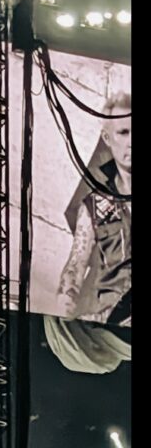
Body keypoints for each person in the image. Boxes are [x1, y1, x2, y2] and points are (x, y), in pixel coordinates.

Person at [57, 94, 131, 327]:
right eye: (124, 132)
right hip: (110, 322)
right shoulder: (95, 205)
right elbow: (76, 264)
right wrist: (66, 295)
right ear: (107, 138)